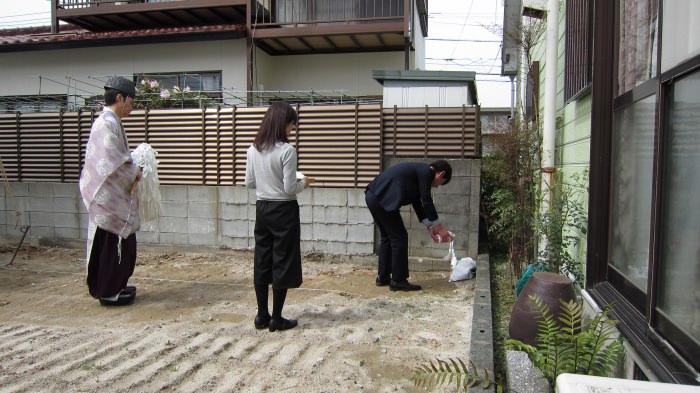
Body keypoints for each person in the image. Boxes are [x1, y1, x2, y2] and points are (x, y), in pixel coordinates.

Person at [245, 101, 313, 332]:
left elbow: (249, 182)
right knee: (282, 260)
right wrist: (304, 182)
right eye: (292, 124)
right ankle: (277, 318)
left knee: (262, 260)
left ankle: (261, 315)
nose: (292, 129)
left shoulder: (253, 149)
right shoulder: (287, 150)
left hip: (262, 208)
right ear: (283, 123)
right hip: (284, 210)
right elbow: (289, 188)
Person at [79, 76, 142, 306]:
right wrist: (135, 169)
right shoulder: (106, 123)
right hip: (107, 198)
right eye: (131, 102)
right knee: (109, 246)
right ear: (119, 97)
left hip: (113, 195)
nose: (132, 107)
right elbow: (110, 161)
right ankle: (108, 291)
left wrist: (132, 166)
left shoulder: (111, 121)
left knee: (123, 244)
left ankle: (117, 285)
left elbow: (117, 158)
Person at [364, 160, 453, 291]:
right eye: (441, 183)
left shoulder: (418, 173)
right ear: (441, 174)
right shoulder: (427, 172)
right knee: (399, 238)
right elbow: (426, 200)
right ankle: (398, 281)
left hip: (373, 196)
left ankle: (383, 277)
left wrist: (430, 226)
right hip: (381, 198)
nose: (437, 186)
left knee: (388, 237)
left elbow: (418, 203)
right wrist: (440, 227)